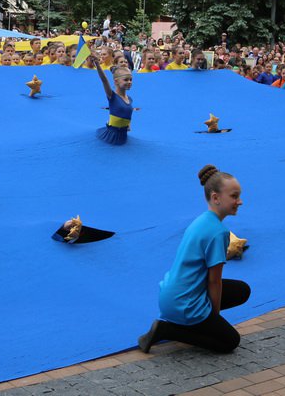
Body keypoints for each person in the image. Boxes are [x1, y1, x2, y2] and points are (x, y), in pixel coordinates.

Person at [138, 165, 250, 354]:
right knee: (230, 341)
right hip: (184, 303)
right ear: (215, 198)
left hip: (170, 296)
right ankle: (169, 330)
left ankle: (183, 323)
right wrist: (214, 320)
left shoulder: (201, 220)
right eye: (234, 196)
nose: (239, 201)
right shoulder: (219, 232)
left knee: (242, 290)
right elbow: (214, 281)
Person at [89, 54, 133, 146]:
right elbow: (104, 80)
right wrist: (97, 64)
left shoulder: (129, 99)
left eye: (130, 79)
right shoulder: (112, 96)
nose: (129, 82)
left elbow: (127, 113)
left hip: (123, 135)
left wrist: (128, 125)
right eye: (126, 80)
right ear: (116, 81)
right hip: (112, 135)